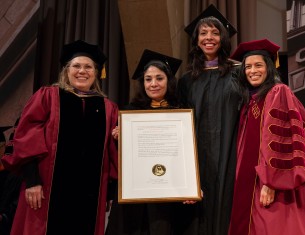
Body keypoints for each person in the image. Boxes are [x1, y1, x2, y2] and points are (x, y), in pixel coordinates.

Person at [1, 40, 119, 235]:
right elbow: (26, 137)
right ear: (67, 70)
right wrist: (32, 181)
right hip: (44, 190)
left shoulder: (107, 108)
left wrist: (108, 192)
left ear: (97, 72)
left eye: (88, 67)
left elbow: (110, 154)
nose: (82, 71)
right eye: (77, 66)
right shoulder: (48, 97)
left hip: (88, 197)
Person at [228, 38, 305, 235]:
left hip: (271, 185)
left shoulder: (278, 92)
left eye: (258, 65)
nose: (252, 71)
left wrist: (271, 182)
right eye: (248, 66)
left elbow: (283, 140)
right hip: (250, 186)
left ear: (269, 68)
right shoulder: (250, 101)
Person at [177, 4, 241, 235]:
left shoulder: (239, 73)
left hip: (231, 153)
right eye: (203, 33)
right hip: (198, 157)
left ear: (223, 38)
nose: (209, 38)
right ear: (196, 40)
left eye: (215, 32)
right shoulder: (186, 80)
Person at [106, 49, 183, 235]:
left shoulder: (181, 113)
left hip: (167, 190)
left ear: (169, 81)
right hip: (136, 190)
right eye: (148, 79)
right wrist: (119, 139)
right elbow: (123, 158)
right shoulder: (130, 113)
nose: (153, 84)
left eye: (159, 78)